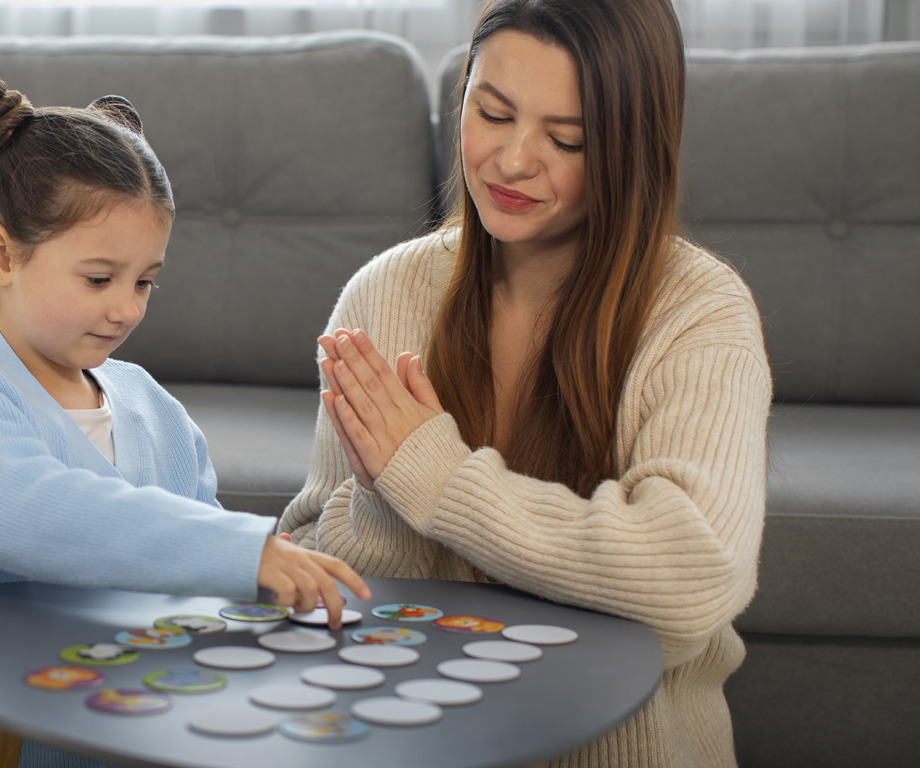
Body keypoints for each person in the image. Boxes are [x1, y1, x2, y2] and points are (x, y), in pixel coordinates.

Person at [278, 1, 770, 765]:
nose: (511, 161)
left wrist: (434, 477)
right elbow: (305, 564)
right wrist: (383, 502)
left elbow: (691, 579)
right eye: (493, 113)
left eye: (566, 138)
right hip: (417, 743)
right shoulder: (383, 295)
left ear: (631, 146)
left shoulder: (698, 312)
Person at [0, 75, 370, 768]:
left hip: (135, 730)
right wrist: (246, 552)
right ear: (2, 255)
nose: (127, 309)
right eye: (98, 279)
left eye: (145, 281)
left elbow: (193, 552)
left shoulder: (151, 405)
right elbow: (46, 515)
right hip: (2, 746)